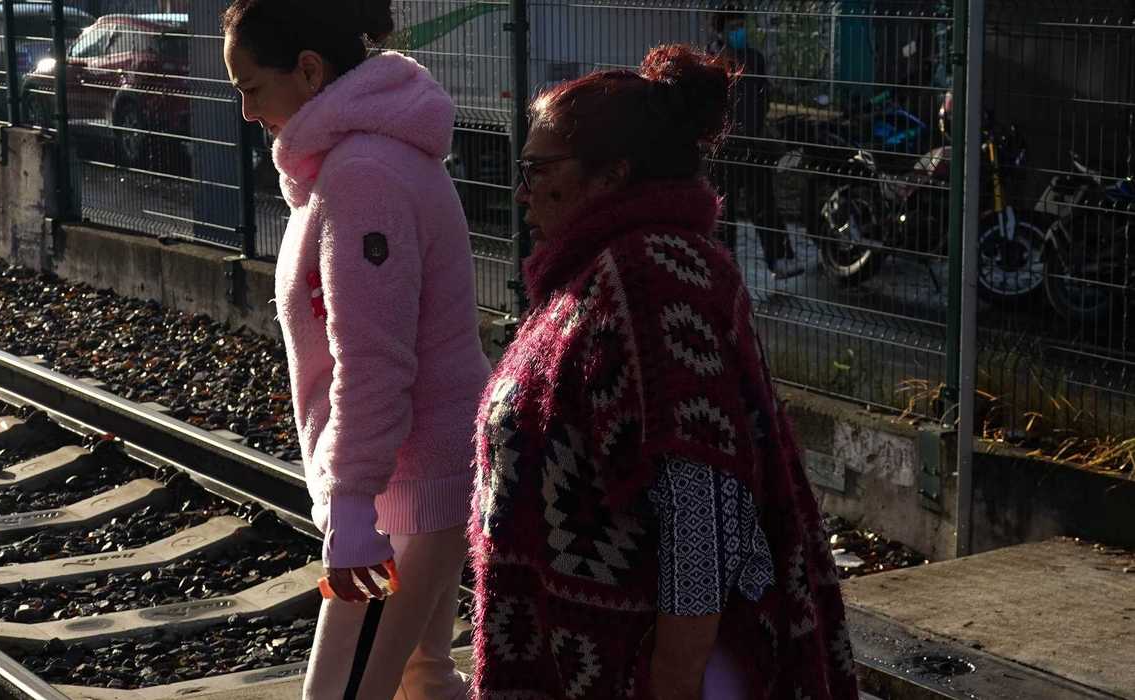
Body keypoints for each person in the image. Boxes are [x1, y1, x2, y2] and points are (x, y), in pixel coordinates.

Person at [469, 45, 858, 699]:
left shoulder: (649, 277)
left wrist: (674, 677)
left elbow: (702, 497)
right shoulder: (599, 270)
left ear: (611, 175)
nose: (521, 192)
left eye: (537, 170)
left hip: (642, 669)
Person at [221, 1, 491, 698]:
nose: (248, 112)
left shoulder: (362, 175)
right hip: (414, 481)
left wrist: (351, 509)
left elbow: (373, 363)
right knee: (420, 679)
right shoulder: (365, 159)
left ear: (309, 71)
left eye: (252, 88)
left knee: (342, 689)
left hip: (395, 499)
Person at [707, 11, 805, 280]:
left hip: (752, 143)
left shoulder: (754, 58)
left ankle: (781, 258)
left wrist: (757, 127)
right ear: (720, 30)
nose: (739, 31)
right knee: (724, 210)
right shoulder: (711, 60)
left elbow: (763, 97)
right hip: (723, 148)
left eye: (742, 25)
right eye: (733, 27)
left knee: (763, 202)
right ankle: (726, 266)